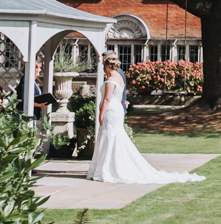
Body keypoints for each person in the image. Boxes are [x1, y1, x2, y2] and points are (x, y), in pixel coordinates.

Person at [87, 56, 206, 185]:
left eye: (104, 66)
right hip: (117, 110)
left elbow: (107, 99)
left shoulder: (111, 80)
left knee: (110, 136)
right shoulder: (120, 78)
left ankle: (107, 168)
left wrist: (101, 113)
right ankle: (110, 166)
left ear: (108, 66)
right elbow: (120, 96)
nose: (104, 68)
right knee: (115, 136)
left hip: (111, 110)